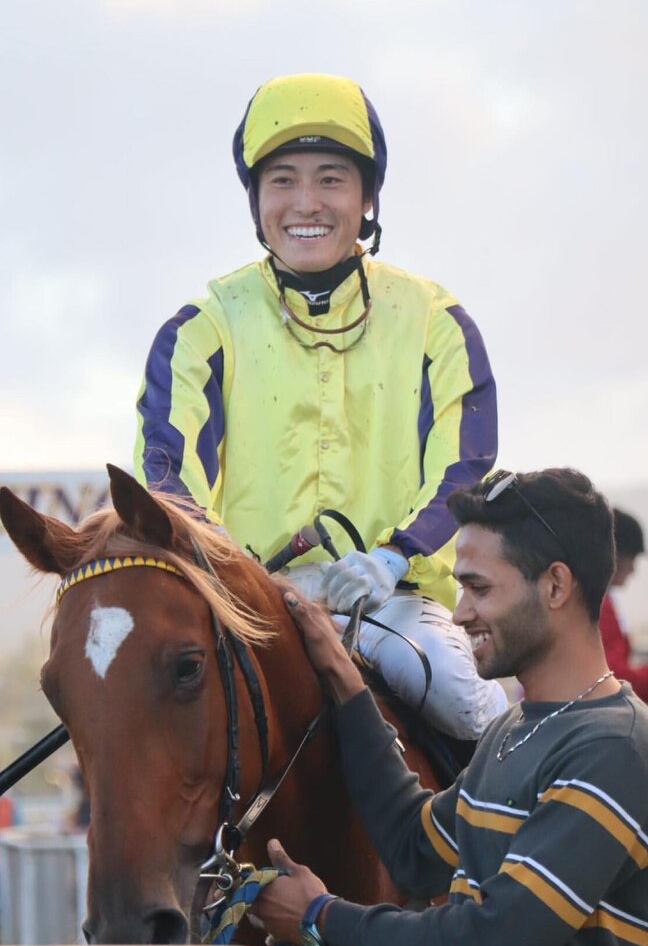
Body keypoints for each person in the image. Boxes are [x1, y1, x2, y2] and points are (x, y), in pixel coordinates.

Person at [253, 468, 648, 946]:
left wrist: (322, 916)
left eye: (478, 587)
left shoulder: (618, 749)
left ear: (555, 585)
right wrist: (345, 683)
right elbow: (414, 848)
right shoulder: (514, 728)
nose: (460, 611)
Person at [133, 72, 507, 743]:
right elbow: (168, 480)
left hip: (393, 603)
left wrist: (393, 557)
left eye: (331, 179)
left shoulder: (435, 319)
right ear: (256, 202)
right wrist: (242, 579)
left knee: (460, 700)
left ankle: (520, 792)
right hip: (246, 609)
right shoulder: (200, 327)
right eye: (282, 180)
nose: (306, 202)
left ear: (367, 199)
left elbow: (465, 464)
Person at [600, 507, 648, 705]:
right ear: (615, 555)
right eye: (632, 558)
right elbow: (614, 678)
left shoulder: (603, 599)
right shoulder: (599, 605)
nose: (633, 569)